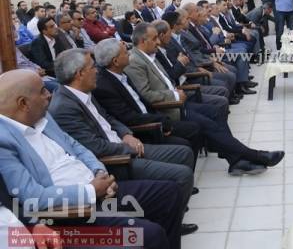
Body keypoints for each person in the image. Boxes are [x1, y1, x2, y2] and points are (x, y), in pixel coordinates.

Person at [0, 70, 187, 249]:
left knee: (169, 193)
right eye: (43, 91)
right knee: (150, 235)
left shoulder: (42, 116)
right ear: (23, 103)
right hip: (73, 211)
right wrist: (91, 191)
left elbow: (77, 147)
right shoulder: (4, 141)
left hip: (99, 188)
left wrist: (100, 173)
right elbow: (33, 196)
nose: (49, 94)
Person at [124, 23, 285, 175]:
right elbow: (146, 95)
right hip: (169, 109)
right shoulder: (135, 62)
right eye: (154, 39)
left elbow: (167, 80)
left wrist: (176, 91)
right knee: (209, 124)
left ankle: (235, 159)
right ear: (143, 41)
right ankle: (255, 156)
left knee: (216, 111)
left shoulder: (150, 55)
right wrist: (174, 95)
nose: (158, 42)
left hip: (179, 100)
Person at [93, 39, 203, 160]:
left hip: (152, 119)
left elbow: (141, 102)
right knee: (187, 142)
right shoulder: (104, 86)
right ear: (115, 61)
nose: (129, 53)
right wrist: (161, 121)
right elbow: (128, 118)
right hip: (143, 130)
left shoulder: (121, 73)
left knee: (194, 128)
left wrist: (160, 119)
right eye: (125, 52)